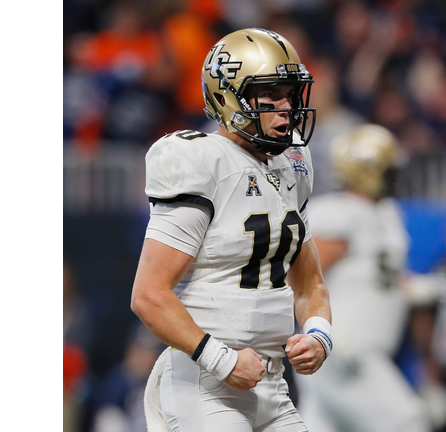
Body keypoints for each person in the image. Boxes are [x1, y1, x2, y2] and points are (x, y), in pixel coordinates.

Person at [130, 28, 332, 432]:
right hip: (205, 383)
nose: (286, 109)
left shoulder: (293, 163)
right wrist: (223, 361)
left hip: (271, 385)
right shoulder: (201, 160)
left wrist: (318, 337)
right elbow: (149, 296)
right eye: (269, 96)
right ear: (228, 97)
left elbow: (310, 286)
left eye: (290, 95)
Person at [293, 124, 431, 432]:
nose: (394, 177)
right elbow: (300, 281)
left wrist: (412, 288)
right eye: (388, 170)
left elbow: (375, 275)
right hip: (344, 349)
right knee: (407, 421)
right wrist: (321, 332)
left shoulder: (386, 213)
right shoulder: (339, 213)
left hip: (361, 350)